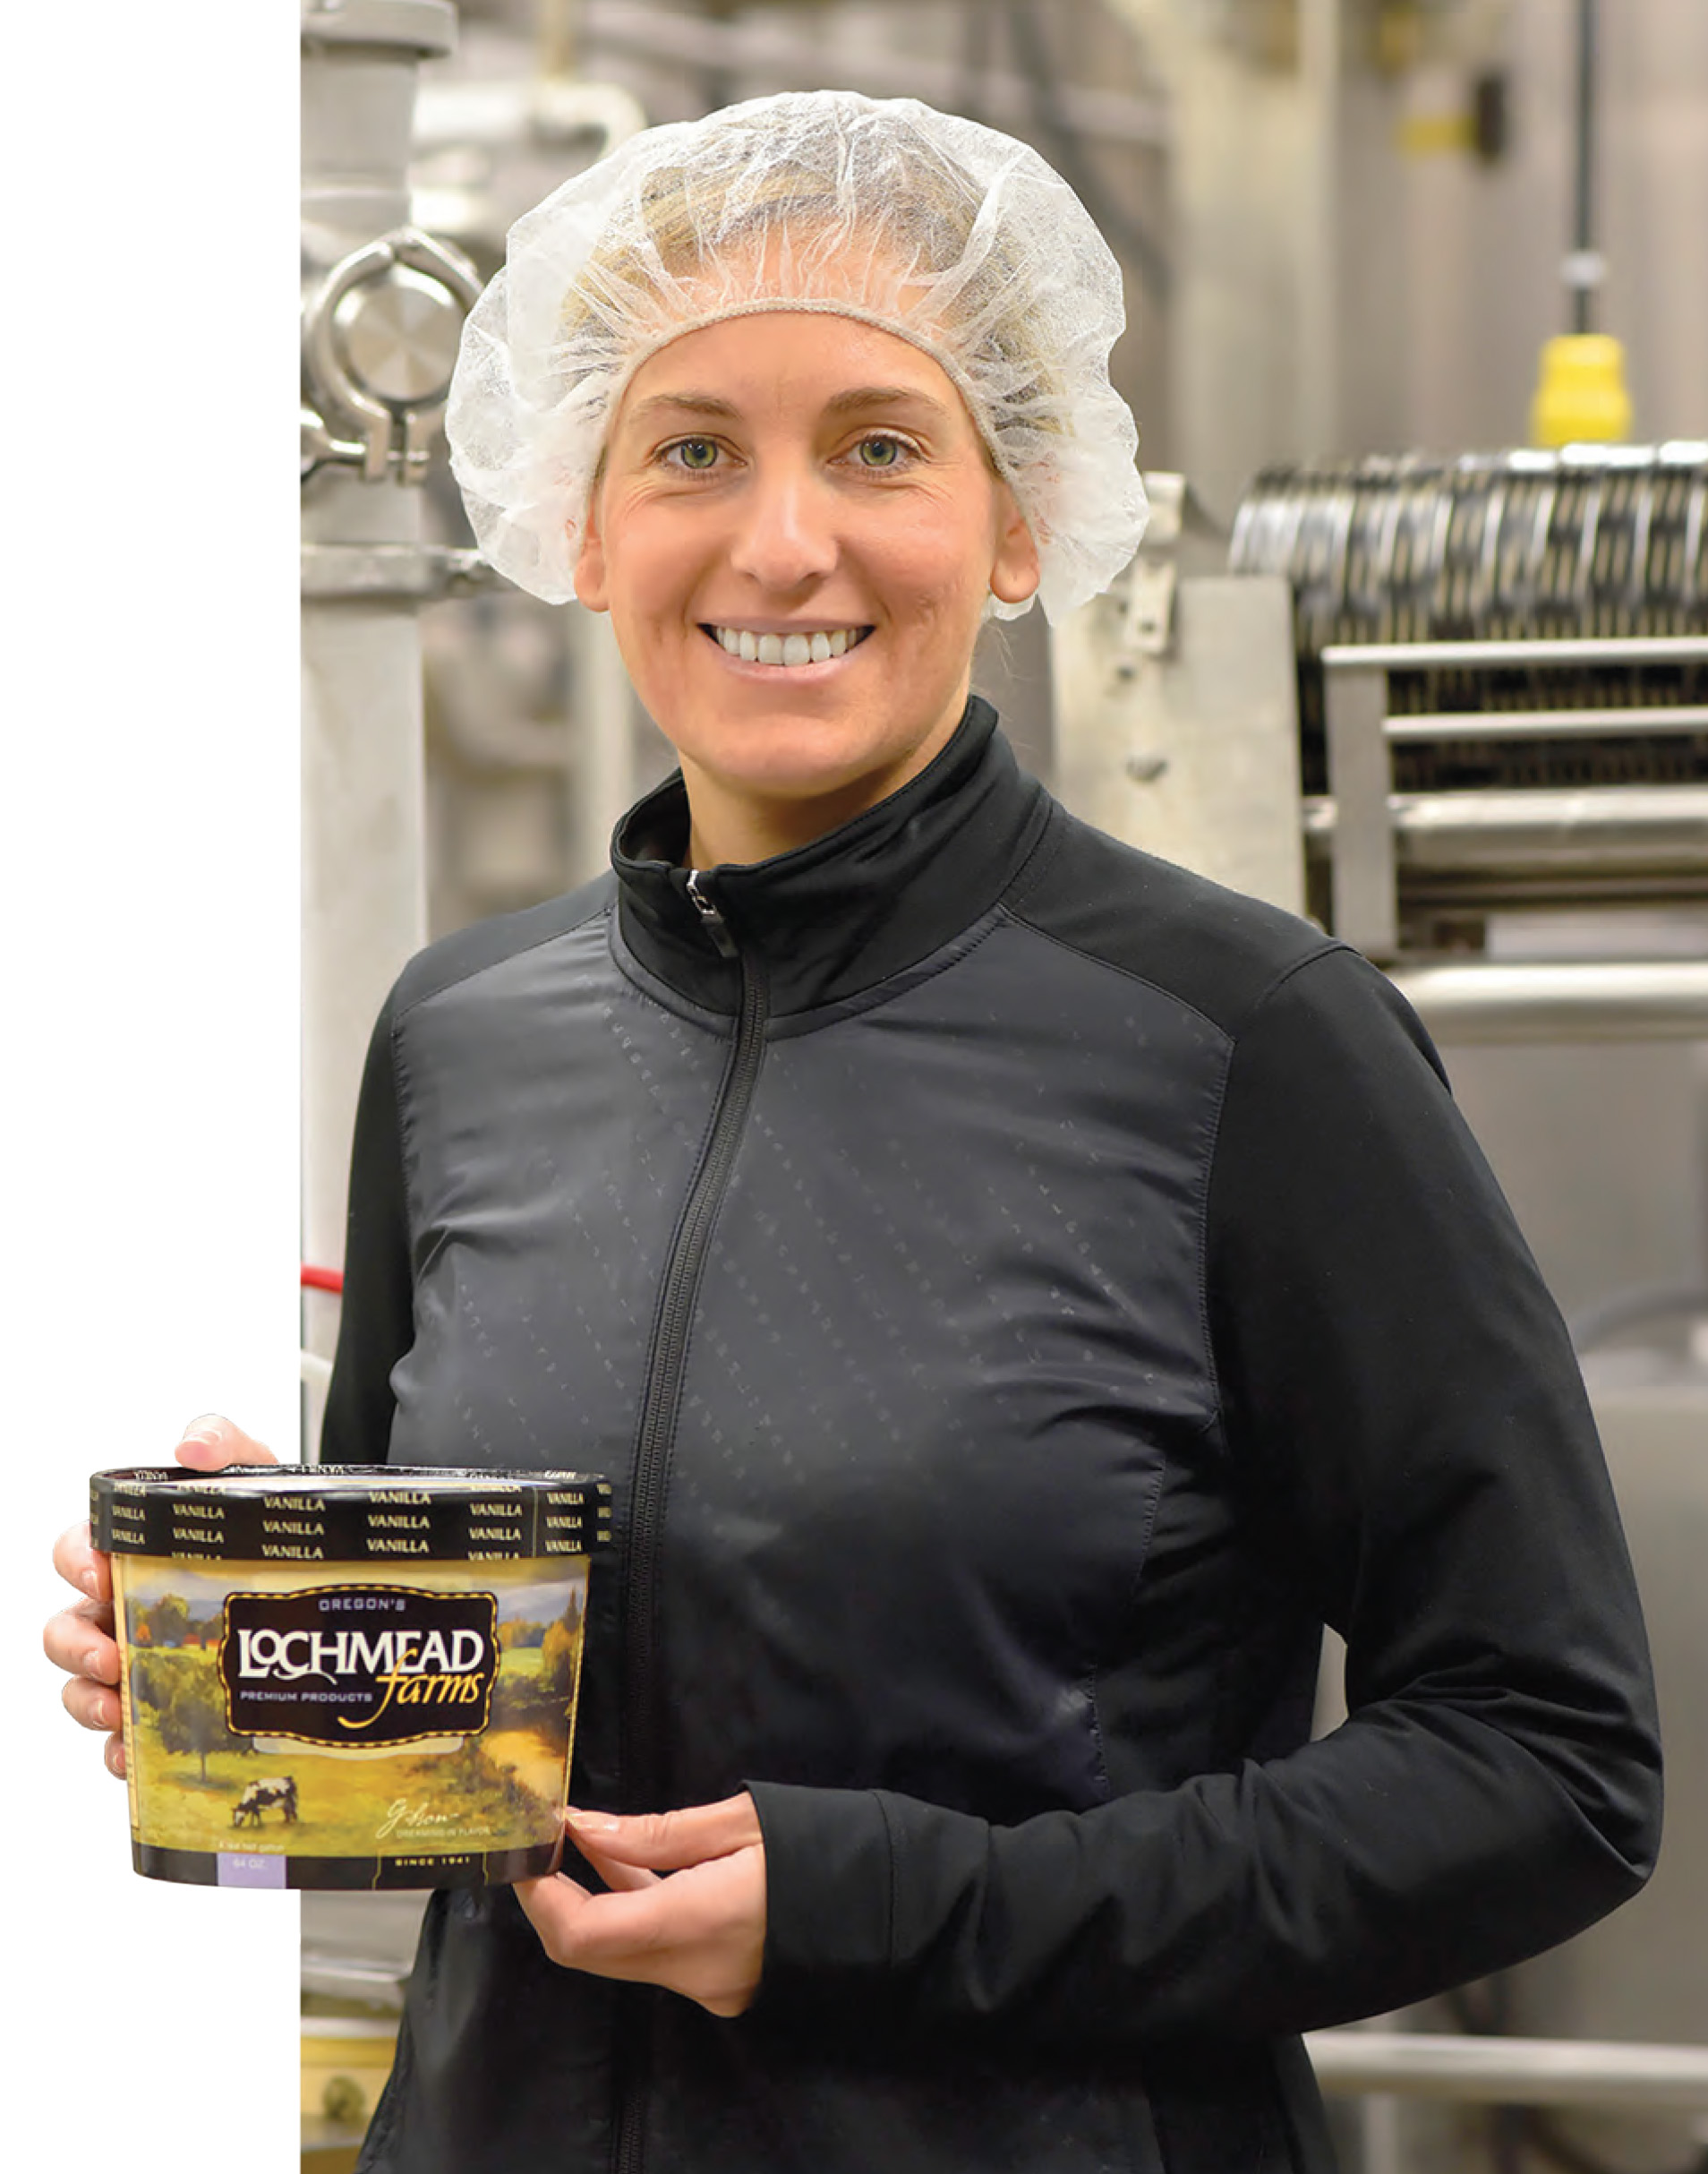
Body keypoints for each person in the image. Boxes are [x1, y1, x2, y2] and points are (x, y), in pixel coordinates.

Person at [47, 90, 1660, 2174]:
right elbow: (460, 1761)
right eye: (692, 449)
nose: (783, 542)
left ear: (1019, 518)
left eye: (881, 447)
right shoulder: (462, 1037)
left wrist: (891, 1905)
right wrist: (268, 1645)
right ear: (582, 520)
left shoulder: (1247, 1045)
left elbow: (1547, 1764)